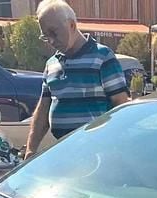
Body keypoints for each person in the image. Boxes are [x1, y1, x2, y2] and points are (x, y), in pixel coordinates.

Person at [24, 0, 129, 158]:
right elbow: (43, 109)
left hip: (98, 152)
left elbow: (121, 105)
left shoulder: (102, 57)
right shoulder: (51, 64)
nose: (51, 41)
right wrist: (31, 150)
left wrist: (115, 148)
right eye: (46, 36)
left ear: (71, 25)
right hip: (64, 152)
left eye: (54, 33)